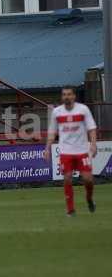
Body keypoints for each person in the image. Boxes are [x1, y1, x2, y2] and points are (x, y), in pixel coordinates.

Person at [44, 86, 97, 216]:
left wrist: (93, 145)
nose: (66, 97)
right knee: (67, 178)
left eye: (69, 94)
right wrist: (47, 149)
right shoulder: (57, 112)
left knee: (88, 179)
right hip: (65, 151)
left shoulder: (83, 109)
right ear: (62, 97)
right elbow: (52, 132)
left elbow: (91, 128)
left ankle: (89, 198)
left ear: (74, 96)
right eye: (64, 94)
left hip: (82, 151)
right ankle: (70, 210)